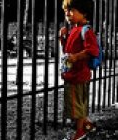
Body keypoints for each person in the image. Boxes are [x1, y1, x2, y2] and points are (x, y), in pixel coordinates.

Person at [59, 0, 98, 139]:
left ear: (84, 12)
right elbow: (67, 51)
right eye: (65, 12)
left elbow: (93, 50)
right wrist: (62, 39)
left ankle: (79, 133)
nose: (67, 14)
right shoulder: (73, 30)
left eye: (71, 10)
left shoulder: (86, 31)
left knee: (76, 106)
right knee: (77, 103)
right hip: (72, 74)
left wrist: (76, 57)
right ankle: (86, 126)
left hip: (78, 75)